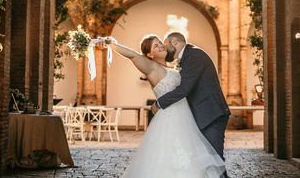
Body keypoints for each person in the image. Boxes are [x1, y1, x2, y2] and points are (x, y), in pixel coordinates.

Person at [96, 34, 226, 178]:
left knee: (194, 159)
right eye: (156, 46)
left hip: (186, 119)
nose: (161, 46)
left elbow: (185, 88)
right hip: (169, 118)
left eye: (160, 43)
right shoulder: (151, 66)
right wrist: (112, 44)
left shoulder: (173, 66)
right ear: (150, 54)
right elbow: (132, 56)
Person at [155, 32, 230, 165]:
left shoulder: (194, 55)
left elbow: (184, 89)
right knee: (207, 162)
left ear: (175, 42)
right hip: (203, 115)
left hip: (211, 115)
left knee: (215, 161)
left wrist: (159, 103)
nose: (166, 50)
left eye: (166, 46)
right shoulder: (187, 57)